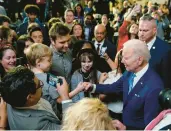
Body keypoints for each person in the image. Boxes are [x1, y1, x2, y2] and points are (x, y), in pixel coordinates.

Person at [84, 39, 164, 130]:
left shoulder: (154, 87)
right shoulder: (130, 72)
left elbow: (150, 126)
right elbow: (114, 87)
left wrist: (126, 128)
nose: (121, 61)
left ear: (139, 60)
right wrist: (92, 87)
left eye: (126, 58)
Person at [0, 66, 73, 130]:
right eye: (39, 85)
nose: (42, 85)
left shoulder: (10, 94)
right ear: (29, 97)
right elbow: (70, 128)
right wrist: (65, 97)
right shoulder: (38, 126)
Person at [25, 43, 84, 117]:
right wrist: (78, 89)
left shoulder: (27, 77)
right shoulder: (49, 78)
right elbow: (61, 99)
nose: (51, 63)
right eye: (49, 60)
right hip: (51, 116)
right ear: (38, 63)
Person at [138, 14, 171, 89]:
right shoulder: (135, 45)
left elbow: (166, 81)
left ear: (154, 31)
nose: (141, 34)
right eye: (140, 30)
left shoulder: (165, 50)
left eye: (145, 30)